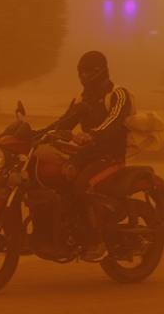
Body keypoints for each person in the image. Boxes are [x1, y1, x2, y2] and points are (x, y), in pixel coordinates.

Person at [39, 51, 131, 261]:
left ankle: (96, 242)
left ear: (102, 72)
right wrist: (36, 134)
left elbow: (114, 121)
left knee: (82, 186)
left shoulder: (118, 95)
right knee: (57, 180)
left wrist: (92, 135)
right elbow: (64, 122)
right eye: (81, 71)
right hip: (85, 156)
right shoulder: (81, 98)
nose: (84, 76)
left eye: (89, 72)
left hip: (110, 158)